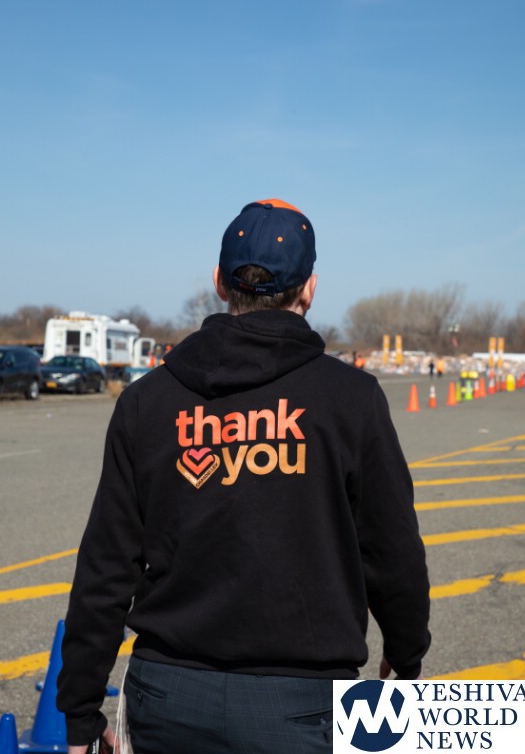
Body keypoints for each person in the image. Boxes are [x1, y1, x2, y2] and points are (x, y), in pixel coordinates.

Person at [57, 198, 431, 754]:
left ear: (219, 282)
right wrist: (406, 651)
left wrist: (80, 709)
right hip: (303, 702)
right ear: (309, 289)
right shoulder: (350, 398)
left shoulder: (147, 401)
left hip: (168, 695)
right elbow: (390, 545)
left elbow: (107, 564)